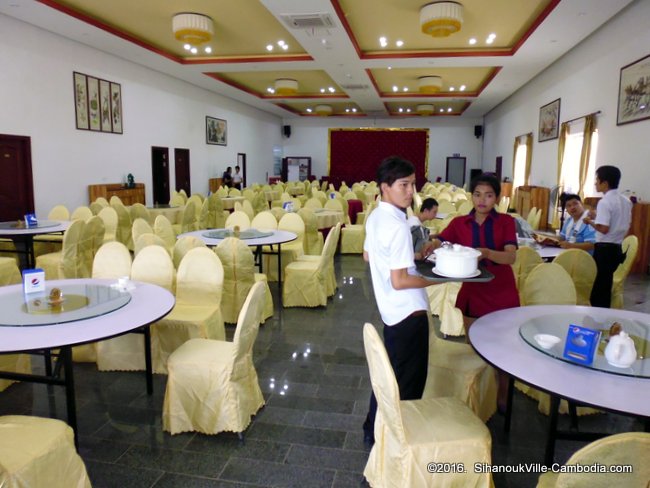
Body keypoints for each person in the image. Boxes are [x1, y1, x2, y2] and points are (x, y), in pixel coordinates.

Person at [362, 156, 434, 446]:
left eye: (413, 184)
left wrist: (408, 257)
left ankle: (372, 429)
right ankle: (394, 441)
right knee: (407, 385)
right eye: (404, 185)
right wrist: (439, 279)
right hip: (408, 314)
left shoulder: (377, 216)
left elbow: (368, 255)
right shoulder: (399, 225)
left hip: (391, 312)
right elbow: (400, 280)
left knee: (389, 377)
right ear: (384, 187)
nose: (410, 192)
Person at [432, 173, 519, 411]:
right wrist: (427, 243)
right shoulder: (460, 223)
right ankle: (479, 394)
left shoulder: (506, 222)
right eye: (478, 194)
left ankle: (502, 393)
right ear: (472, 196)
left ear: (497, 198)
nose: (482, 200)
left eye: (489, 195)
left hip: (502, 291)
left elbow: (511, 256)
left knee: (504, 348)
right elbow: (441, 241)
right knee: (475, 347)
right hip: (473, 291)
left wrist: (488, 253)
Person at [583, 165, 632, 308]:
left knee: (599, 290)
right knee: (605, 286)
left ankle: (598, 320)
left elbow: (603, 229)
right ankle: (605, 319)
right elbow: (618, 221)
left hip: (604, 250)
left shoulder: (604, 202)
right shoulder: (626, 200)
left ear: (604, 183)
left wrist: (590, 222)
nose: (595, 183)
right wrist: (597, 216)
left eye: (597, 180)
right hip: (616, 248)